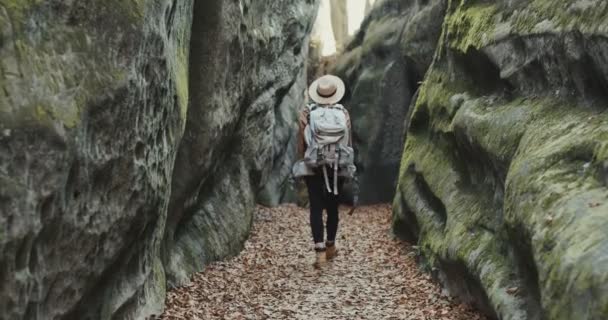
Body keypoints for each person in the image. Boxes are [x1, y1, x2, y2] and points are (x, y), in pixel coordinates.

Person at [296, 74, 354, 269]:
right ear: (335, 95)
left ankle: (319, 253)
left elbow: (302, 141)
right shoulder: (343, 113)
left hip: (313, 165)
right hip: (336, 166)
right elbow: (348, 142)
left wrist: (304, 162)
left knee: (315, 207)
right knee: (332, 207)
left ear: (317, 95)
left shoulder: (307, 112)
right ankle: (331, 246)